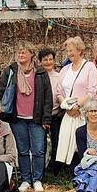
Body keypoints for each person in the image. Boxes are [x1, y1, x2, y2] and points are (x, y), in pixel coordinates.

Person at [0, 42, 52, 192]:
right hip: (17, 118)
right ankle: (26, 179)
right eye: (19, 52)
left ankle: (37, 179)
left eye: (24, 52)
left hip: (36, 119)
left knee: (39, 150)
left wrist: (46, 119)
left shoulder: (40, 72)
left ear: (31, 54)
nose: (20, 55)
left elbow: (48, 98)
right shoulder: (10, 71)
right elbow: (0, 91)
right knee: (23, 150)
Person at [56, 36, 97, 167]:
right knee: (67, 143)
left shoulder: (89, 66)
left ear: (80, 50)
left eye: (71, 50)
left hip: (84, 112)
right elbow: (59, 92)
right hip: (68, 113)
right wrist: (67, 107)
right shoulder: (64, 70)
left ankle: (86, 172)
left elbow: (91, 91)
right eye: (67, 51)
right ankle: (72, 173)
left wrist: (78, 106)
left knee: (82, 144)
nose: (69, 54)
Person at [39, 47, 63, 175]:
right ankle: (42, 169)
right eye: (45, 60)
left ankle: (56, 170)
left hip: (56, 115)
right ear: (40, 62)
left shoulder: (59, 77)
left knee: (56, 142)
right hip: (41, 116)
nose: (48, 62)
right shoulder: (38, 76)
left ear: (54, 61)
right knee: (41, 143)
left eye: (50, 59)